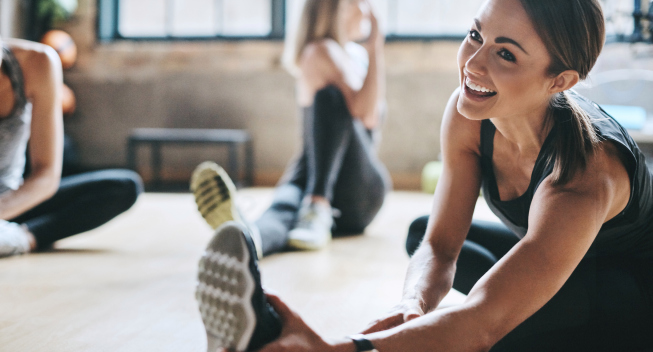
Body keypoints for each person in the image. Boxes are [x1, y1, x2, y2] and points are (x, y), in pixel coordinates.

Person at [195, 0, 653, 351]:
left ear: (561, 81)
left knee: (492, 329)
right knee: (422, 240)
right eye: (476, 35)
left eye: (506, 55)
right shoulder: (469, 115)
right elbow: (439, 245)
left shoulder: (583, 177)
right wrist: (411, 304)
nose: (473, 65)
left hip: (629, 294)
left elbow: (483, 318)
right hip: (562, 267)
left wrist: (345, 348)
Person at [191, 0, 390, 256]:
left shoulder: (352, 55)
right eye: (357, 3)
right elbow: (368, 114)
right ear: (334, 10)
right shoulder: (321, 51)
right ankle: (246, 239)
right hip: (320, 185)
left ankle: (316, 205)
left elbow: (368, 118)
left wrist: (372, 49)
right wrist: (376, 45)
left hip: (355, 188)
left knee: (290, 200)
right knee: (281, 211)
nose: (365, 11)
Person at [0, 37, 142, 258]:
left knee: (123, 186)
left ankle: (26, 238)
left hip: (13, 201)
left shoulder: (39, 62)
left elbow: (46, 175)